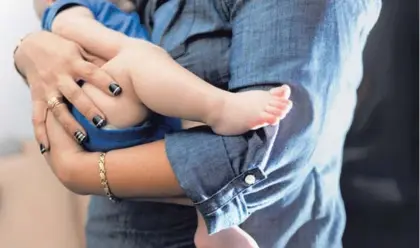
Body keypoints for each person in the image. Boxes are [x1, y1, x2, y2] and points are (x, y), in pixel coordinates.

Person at [14, 0, 382, 247]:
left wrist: (78, 171)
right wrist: (29, 51)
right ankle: (218, 112)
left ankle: (212, 212)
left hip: (270, 230)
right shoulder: (76, 10)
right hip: (112, 145)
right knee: (140, 60)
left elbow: (267, 150)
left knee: (142, 64)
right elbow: (69, 48)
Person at [40, 0, 293, 247]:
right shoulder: (71, 5)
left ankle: (214, 227)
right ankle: (221, 109)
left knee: (187, 132)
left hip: (143, 116)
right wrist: (128, 47)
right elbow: (69, 26)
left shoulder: (135, 11)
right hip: (99, 107)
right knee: (140, 61)